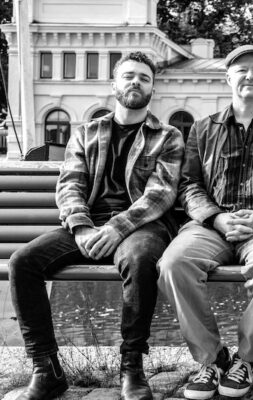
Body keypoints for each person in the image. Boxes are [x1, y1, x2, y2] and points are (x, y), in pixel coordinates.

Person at [8, 52, 184, 400]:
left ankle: (131, 367)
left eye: (145, 78)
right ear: (114, 85)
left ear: (152, 89)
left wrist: (116, 229)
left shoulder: (168, 136)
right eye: (129, 76)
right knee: (22, 262)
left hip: (142, 226)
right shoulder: (87, 132)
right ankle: (47, 370)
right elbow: (70, 185)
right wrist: (82, 227)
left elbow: (160, 195)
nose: (136, 82)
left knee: (140, 260)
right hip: (88, 225)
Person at [157, 45, 253, 400]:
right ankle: (211, 359)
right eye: (241, 70)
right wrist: (216, 217)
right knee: (173, 264)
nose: (249, 76)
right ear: (228, 77)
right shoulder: (203, 128)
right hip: (213, 223)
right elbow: (189, 184)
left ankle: (246, 359)